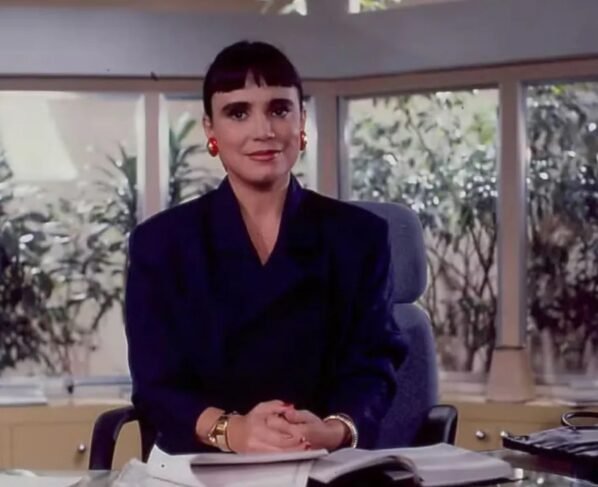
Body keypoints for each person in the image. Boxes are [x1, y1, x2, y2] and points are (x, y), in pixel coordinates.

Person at [125, 40, 406, 455]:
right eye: (238, 113)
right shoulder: (160, 244)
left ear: (302, 120)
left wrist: (334, 430)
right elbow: (156, 385)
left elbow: (373, 364)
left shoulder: (361, 236)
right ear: (210, 130)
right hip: (205, 463)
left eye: (279, 109)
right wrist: (233, 431)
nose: (264, 131)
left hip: (325, 461)